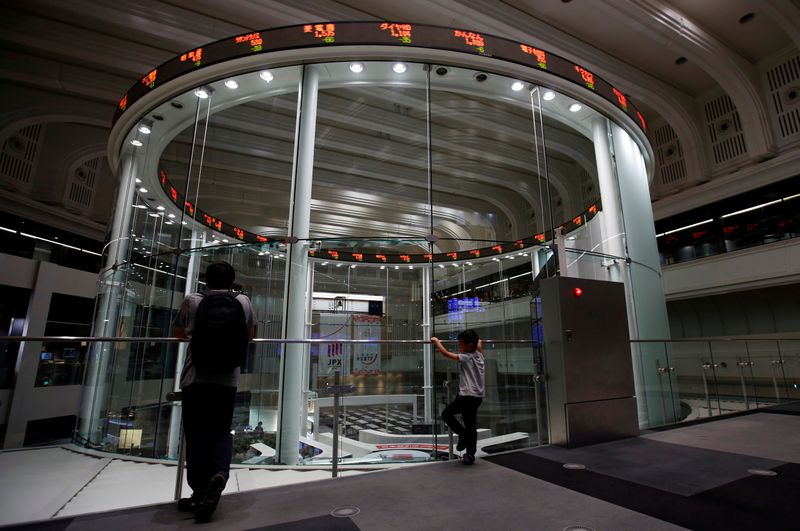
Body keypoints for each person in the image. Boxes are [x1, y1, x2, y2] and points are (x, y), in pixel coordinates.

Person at [173, 262, 255, 522]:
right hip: (227, 380)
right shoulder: (243, 302)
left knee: (196, 435)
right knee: (221, 431)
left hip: (196, 378)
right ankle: (220, 473)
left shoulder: (193, 300)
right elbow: (250, 335)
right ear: (232, 281)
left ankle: (198, 493)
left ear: (205, 280)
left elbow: (179, 333)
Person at [431, 330, 485, 465]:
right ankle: (470, 454)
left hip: (466, 396)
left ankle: (462, 435)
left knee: (446, 414)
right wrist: (478, 342)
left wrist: (437, 342)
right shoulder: (479, 355)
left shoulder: (466, 357)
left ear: (469, 345)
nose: (459, 346)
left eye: (460, 344)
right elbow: (479, 344)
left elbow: (445, 353)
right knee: (471, 425)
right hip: (477, 397)